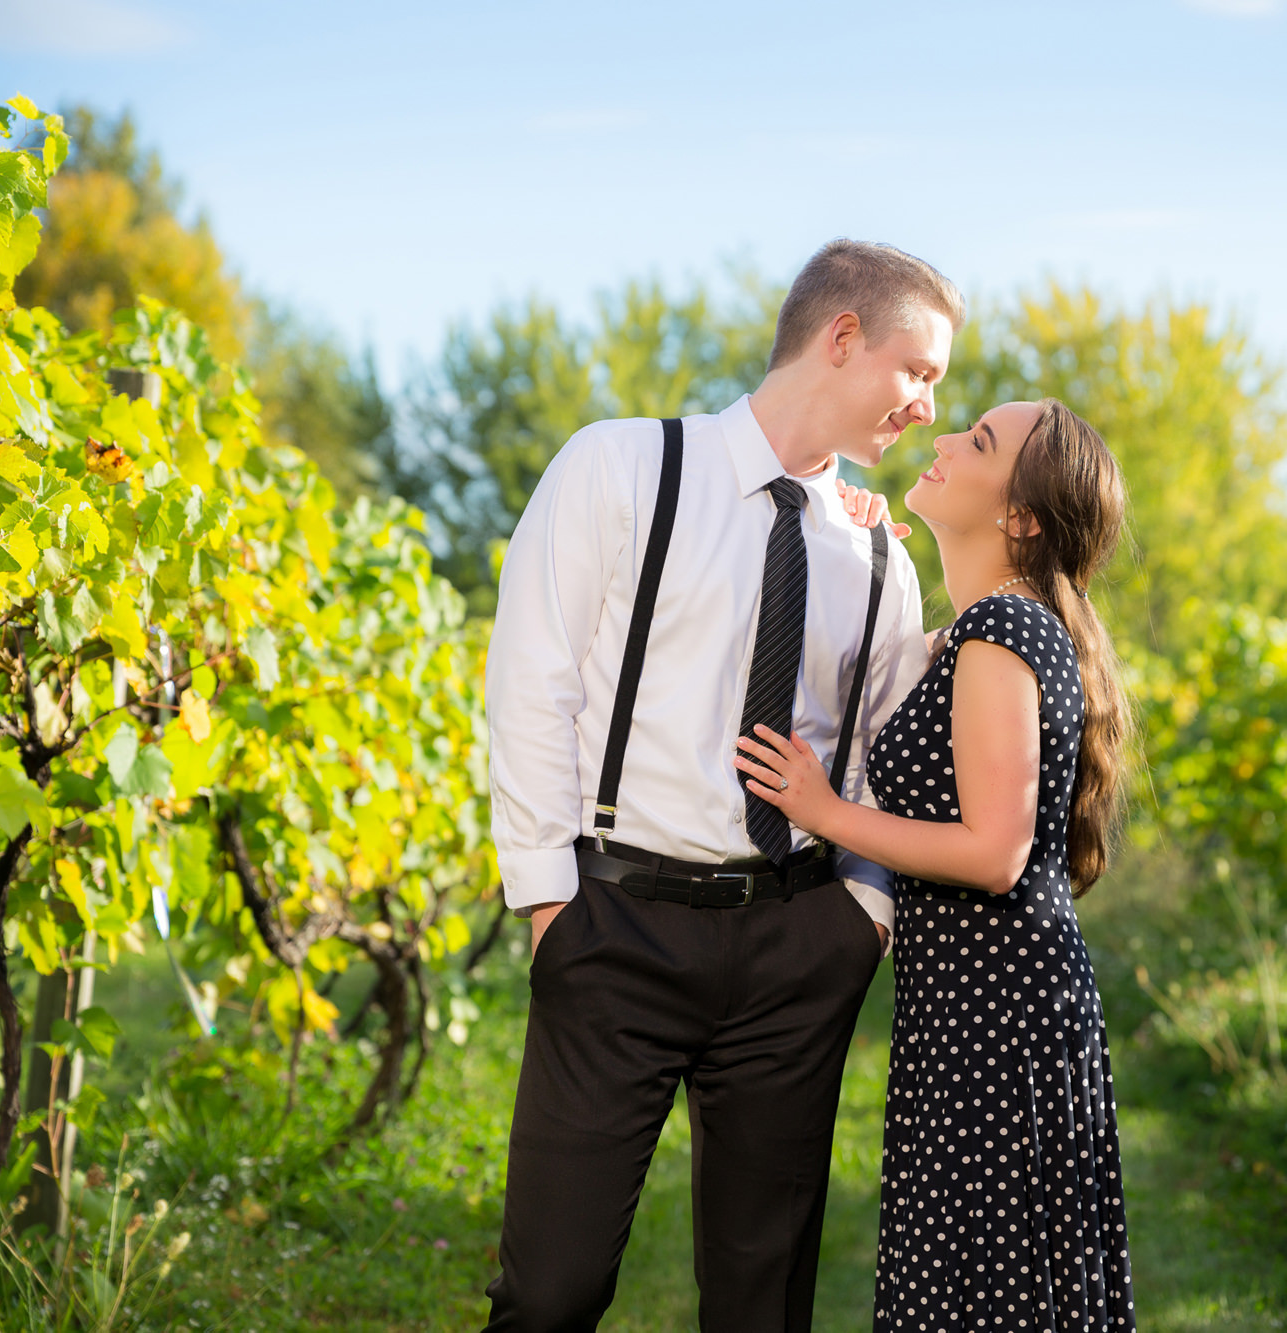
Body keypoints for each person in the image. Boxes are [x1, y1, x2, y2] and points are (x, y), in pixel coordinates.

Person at [481, 239, 963, 1332]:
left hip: (796, 947)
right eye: (917, 372)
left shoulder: (878, 556)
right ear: (840, 338)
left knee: (761, 1302)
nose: (926, 408)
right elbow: (531, 684)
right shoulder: (619, 467)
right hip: (614, 928)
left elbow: (881, 754)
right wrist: (549, 902)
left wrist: (865, 912)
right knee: (551, 1291)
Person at [736, 398, 1139, 1330]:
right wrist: (855, 530)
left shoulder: (1002, 631)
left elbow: (995, 854)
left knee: (981, 1292)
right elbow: (882, 675)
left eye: (981, 442)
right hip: (977, 1004)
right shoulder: (982, 628)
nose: (948, 440)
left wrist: (823, 812)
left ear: (1022, 517)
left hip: (995, 1015)